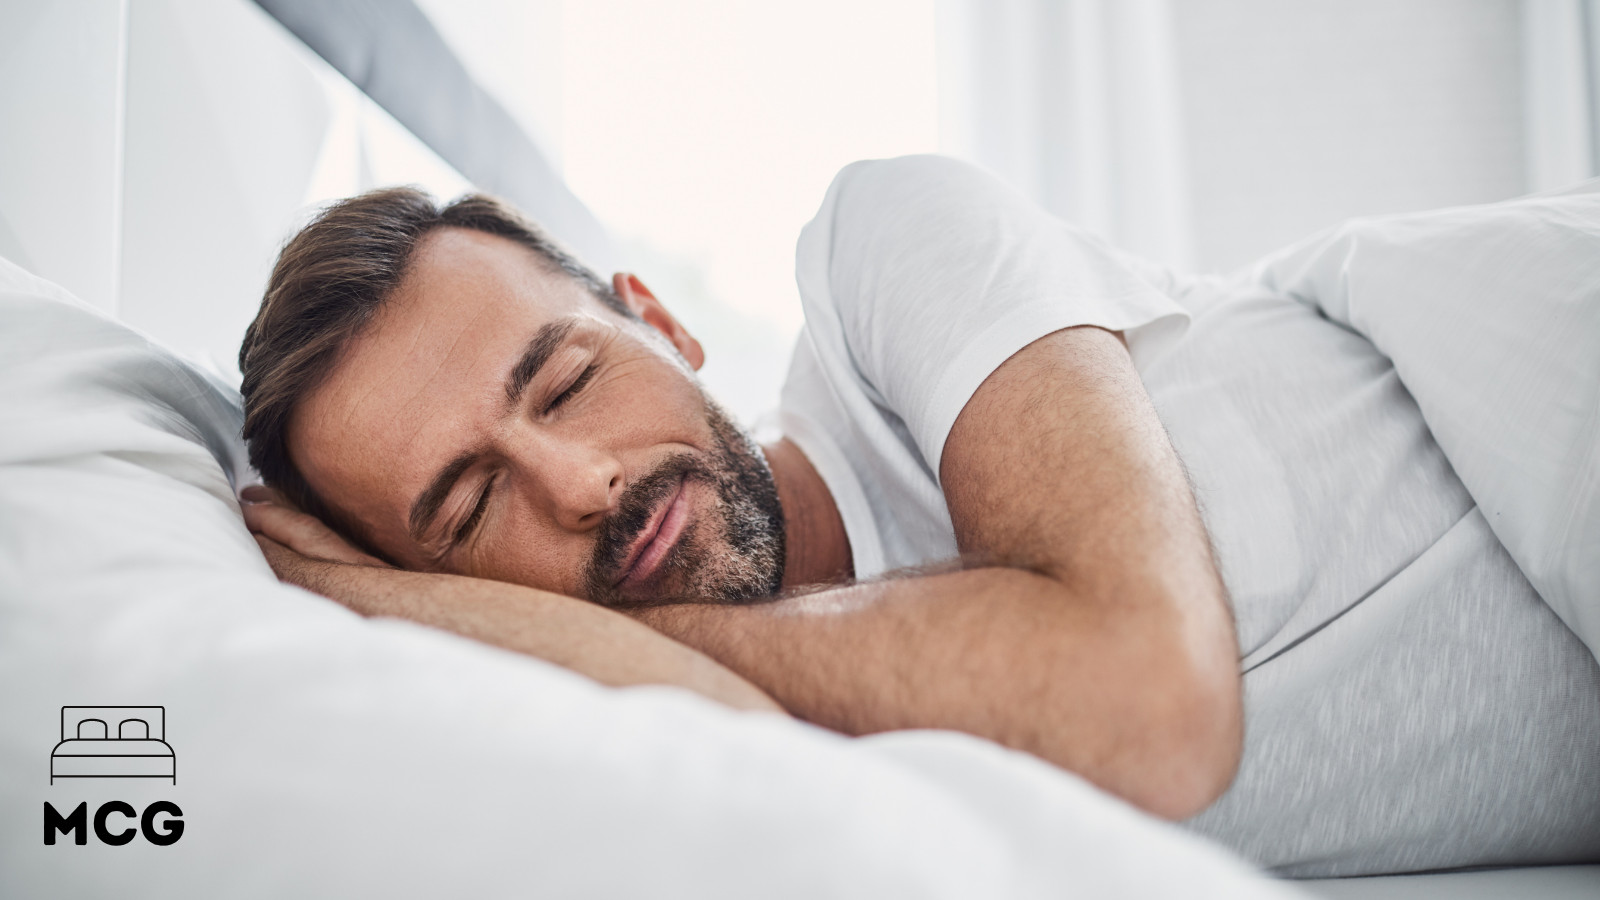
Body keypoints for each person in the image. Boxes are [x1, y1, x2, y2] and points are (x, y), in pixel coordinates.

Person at [238, 156, 1600, 873]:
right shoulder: (764, 770)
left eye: (572, 381)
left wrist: (449, 602)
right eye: (473, 514)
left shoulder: (882, 249)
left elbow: (1145, 707)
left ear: (661, 320)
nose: (580, 484)